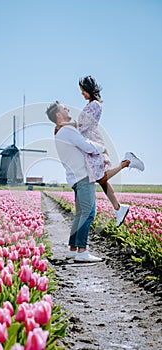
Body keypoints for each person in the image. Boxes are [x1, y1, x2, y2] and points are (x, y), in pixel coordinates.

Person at [59, 75, 145, 226]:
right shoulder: (92, 104)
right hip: (88, 141)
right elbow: (82, 125)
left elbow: (84, 126)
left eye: (83, 90)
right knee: (101, 179)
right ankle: (119, 208)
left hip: (90, 142)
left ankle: (127, 162)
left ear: (89, 89)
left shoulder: (95, 105)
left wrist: (71, 130)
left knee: (100, 177)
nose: (82, 94)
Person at [46, 101, 104, 262]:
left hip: (75, 178)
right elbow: (86, 146)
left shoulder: (60, 132)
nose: (68, 109)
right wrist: (100, 147)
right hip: (83, 176)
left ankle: (73, 249)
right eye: (65, 108)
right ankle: (82, 252)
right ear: (59, 114)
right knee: (88, 213)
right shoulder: (67, 130)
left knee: (80, 214)